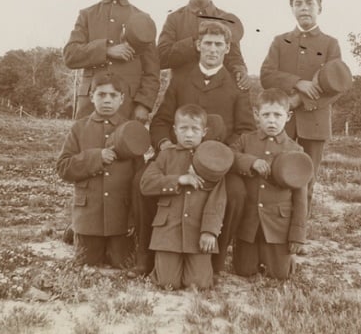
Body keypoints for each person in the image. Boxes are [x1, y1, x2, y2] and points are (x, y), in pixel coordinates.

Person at [149, 20, 255, 274]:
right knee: (138, 183)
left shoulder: (237, 86)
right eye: (207, 43)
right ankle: (147, 253)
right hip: (178, 157)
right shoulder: (180, 80)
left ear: (227, 48)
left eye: (218, 44)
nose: (212, 49)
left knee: (238, 193)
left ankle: (215, 258)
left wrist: (222, 155)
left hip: (219, 164)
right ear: (198, 45)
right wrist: (165, 146)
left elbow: (245, 129)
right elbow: (161, 121)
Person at [260, 0, 346, 217]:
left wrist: (299, 100)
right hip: (281, 122)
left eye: (309, 3)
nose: (304, 7)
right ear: (292, 9)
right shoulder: (280, 42)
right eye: (298, 3)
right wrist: (298, 82)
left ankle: (299, 233)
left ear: (320, 8)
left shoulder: (330, 44)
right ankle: (273, 227)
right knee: (276, 172)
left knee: (306, 178)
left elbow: (337, 85)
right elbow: (267, 75)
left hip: (315, 123)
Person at [56, 73, 141, 268]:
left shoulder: (131, 130)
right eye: (101, 95)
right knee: (87, 263)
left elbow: (139, 179)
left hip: (120, 220)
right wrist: (96, 157)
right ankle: (75, 231)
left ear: (122, 99)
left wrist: (133, 218)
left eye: (113, 95)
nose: (107, 100)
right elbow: (63, 167)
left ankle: (74, 232)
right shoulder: (79, 128)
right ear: (92, 96)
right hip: (89, 218)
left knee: (123, 263)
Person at [140, 104, 228, 289]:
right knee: (167, 283)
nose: (189, 134)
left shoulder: (212, 159)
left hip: (198, 231)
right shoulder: (166, 155)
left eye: (194, 129)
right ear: (174, 130)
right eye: (183, 129)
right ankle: (163, 267)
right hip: (168, 231)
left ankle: (202, 269)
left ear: (204, 131)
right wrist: (179, 179)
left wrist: (209, 231)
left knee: (198, 284)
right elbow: (146, 184)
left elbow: (218, 199)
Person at [63, 0, 160, 121]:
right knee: (88, 145)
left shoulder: (143, 19)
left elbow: (152, 71)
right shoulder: (87, 15)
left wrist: (143, 104)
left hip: (127, 104)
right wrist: (106, 50)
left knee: (122, 146)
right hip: (90, 103)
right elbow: (70, 56)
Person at [230, 88, 307, 279]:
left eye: (277, 115)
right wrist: (251, 162)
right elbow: (229, 156)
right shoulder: (246, 140)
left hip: (278, 226)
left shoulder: (296, 150)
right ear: (257, 115)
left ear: (288, 116)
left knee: (280, 274)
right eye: (266, 115)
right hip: (249, 224)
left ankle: (283, 257)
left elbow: (301, 198)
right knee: (244, 271)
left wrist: (297, 235)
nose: (272, 120)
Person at [157, 0, 250, 89]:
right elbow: (162, 57)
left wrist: (240, 71)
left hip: (217, 91)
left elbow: (234, 57)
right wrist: (194, 44)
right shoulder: (174, 19)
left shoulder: (226, 19)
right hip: (181, 92)